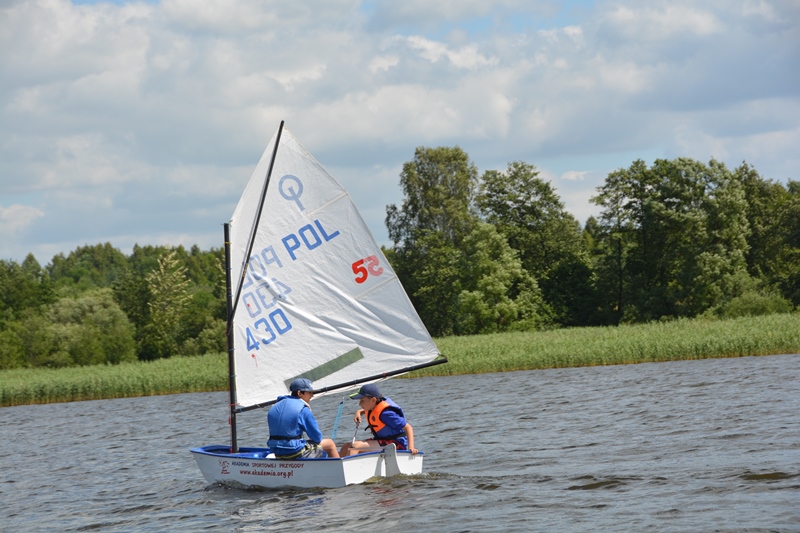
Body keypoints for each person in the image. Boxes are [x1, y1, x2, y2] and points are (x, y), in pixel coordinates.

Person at [267, 378, 340, 459]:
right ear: (299, 393)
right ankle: (338, 466)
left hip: (277, 452)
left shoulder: (274, 407)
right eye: (309, 392)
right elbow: (317, 438)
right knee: (330, 444)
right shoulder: (303, 409)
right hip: (295, 452)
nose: (312, 395)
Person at [338, 383, 418, 456]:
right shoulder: (372, 406)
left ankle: (350, 467)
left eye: (362, 401)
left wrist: (411, 448)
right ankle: (337, 465)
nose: (359, 404)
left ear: (373, 400)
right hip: (382, 442)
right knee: (346, 446)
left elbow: (408, 428)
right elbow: (368, 411)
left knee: (355, 447)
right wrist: (358, 412)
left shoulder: (387, 414)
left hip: (396, 445)